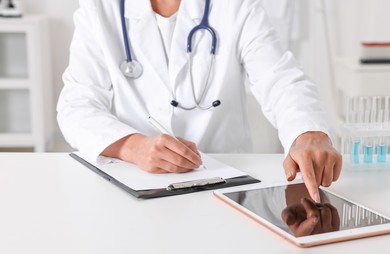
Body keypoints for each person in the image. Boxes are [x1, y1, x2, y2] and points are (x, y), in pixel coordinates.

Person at [57, 0, 342, 203]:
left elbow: (279, 77)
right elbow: (76, 104)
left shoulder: (236, 6)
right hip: (131, 187)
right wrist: (132, 146)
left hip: (224, 189)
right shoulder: (99, 8)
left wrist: (308, 132)